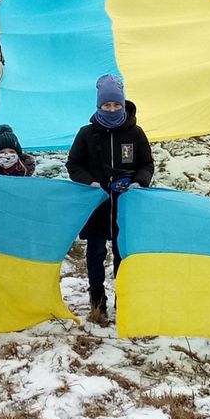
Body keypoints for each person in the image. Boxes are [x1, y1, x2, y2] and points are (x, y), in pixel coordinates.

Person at [66, 74, 154, 316]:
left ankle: (123, 299)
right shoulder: (86, 134)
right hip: (97, 206)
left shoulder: (135, 133)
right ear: (99, 106)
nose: (112, 109)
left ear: (123, 104)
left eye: (116, 104)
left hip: (125, 206)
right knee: (95, 254)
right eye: (107, 105)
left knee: (122, 254)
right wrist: (90, 182)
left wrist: (139, 182)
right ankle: (97, 299)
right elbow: (74, 164)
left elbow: (146, 163)